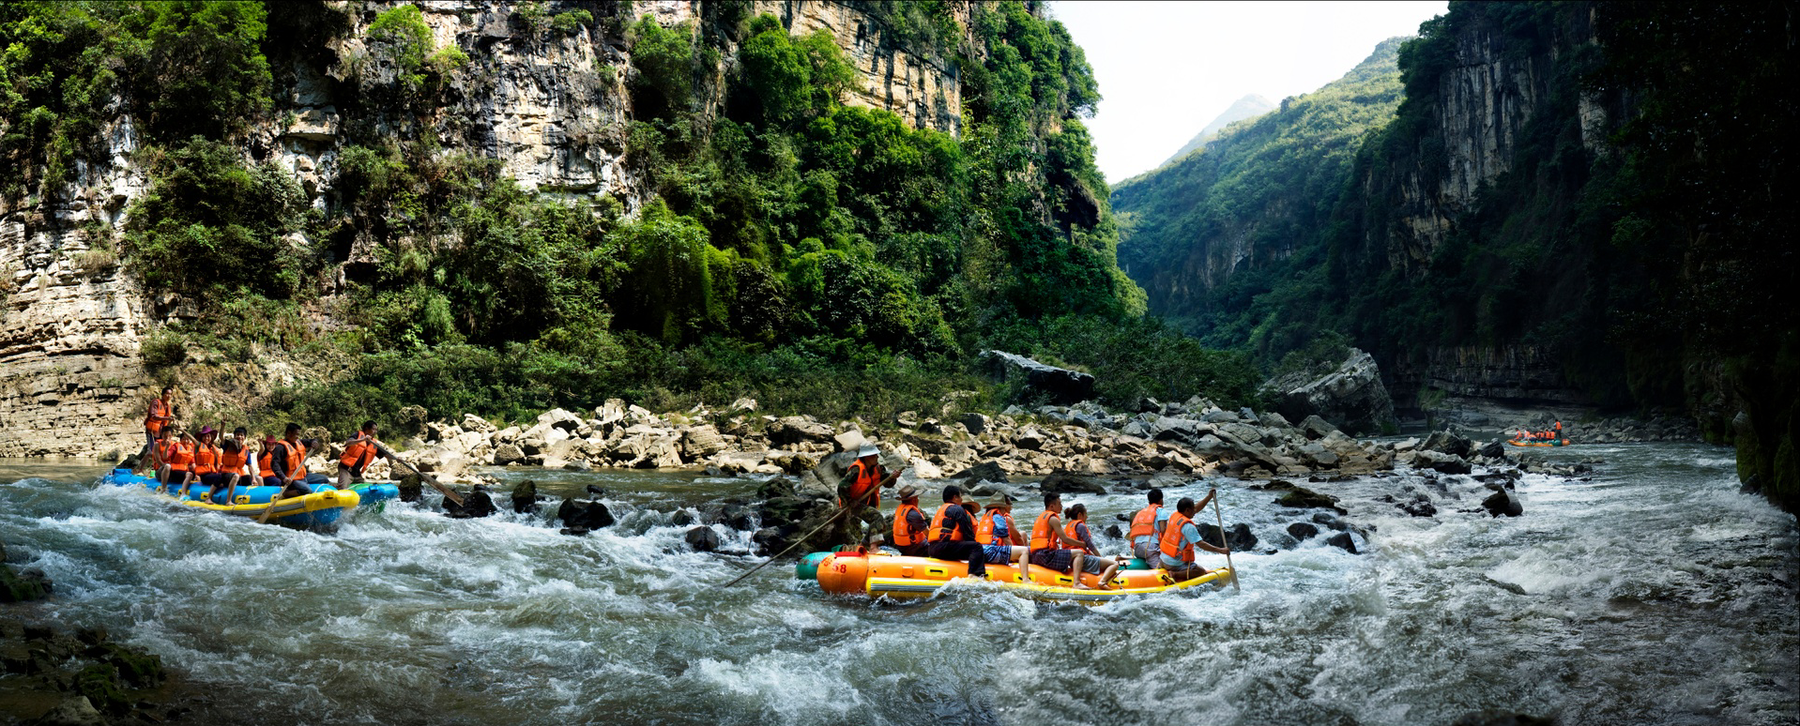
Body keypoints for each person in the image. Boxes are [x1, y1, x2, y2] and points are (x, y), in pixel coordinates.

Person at [1025, 492, 1104, 589]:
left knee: (1067, 553)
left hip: (1035, 555)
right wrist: (1082, 544)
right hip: (1046, 556)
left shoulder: (1041, 517)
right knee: (1079, 553)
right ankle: (1077, 583)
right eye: (1059, 504)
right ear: (1052, 506)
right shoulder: (1053, 519)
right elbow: (1065, 539)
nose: (1061, 506)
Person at [836, 444, 905, 545]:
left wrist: (893, 477)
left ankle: (864, 545)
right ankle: (873, 547)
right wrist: (850, 502)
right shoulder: (856, 469)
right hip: (854, 503)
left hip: (868, 501)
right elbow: (842, 486)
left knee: (877, 523)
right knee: (877, 518)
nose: (877, 457)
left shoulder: (879, 468)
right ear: (867, 457)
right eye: (875, 455)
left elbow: (887, 483)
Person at [1160, 494, 1231, 582]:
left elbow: (1197, 508)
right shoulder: (1188, 526)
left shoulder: (1175, 515)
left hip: (1163, 559)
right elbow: (1201, 544)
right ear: (1187, 510)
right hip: (1173, 563)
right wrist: (1220, 550)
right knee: (1200, 571)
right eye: (1193, 509)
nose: (1195, 511)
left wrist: (1209, 496)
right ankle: (1175, 574)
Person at [926, 485, 987, 579]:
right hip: (944, 548)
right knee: (976, 547)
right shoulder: (957, 509)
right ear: (955, 497)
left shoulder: (942, 509)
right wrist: (973, 548)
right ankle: (974, 575)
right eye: (960, 496)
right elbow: (967, 533)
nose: (961, 499)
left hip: (932, 549)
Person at [1063, 503, 1119, 588]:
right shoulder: (1080, 526)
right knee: (1114, 564)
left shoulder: (1068, 526)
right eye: (1086, 514)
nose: (1087, 517)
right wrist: (1100, 557)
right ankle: (1102, 582)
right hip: (1083, 560)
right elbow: (1090, 545)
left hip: (1071, 560)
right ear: (1080, 515)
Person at [975, 494, 1028, 568]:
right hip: (991, 552)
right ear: (1001, 508)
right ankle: (1025, 578)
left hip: (980, 552)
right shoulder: (998, 518)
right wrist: (1014, 555)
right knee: (1024, 550)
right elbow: (1006, 539)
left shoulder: (985, 518)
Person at [270, 424, 318, 500]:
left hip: (303, 476)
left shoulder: (298, 442)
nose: (298, 437)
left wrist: (314, 442)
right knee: (307, 490)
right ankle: (286, 493)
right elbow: (274, 465)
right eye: (296, 434)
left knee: (324, 479)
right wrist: (284, 478)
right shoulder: (280, 448)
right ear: (289, 433)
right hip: (291, 480)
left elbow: (311, 441)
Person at [137, 387, 175, 474]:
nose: (169, 396)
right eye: (167, 394)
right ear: (162, 394)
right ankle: (140, 470)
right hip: (152, 431)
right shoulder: (156, 402)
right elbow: (153, 416)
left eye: (170, 394)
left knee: (162, 450)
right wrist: (167, 418)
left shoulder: (167, 406)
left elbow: (166, 421)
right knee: (151, 451)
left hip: (161, 432)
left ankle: (157, 469)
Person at [337, 420, 384, 488]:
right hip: (346, 469)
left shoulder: (374, 443)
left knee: (365, 489)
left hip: (357, 473)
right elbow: (348, 442)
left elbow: (385, 454)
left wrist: (396, 459)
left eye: (376, 430)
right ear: (367, 429)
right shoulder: (357, 435)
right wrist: (363, 440)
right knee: (342, 488)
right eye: (373, 429)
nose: (375, 432)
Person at [1128, 489, 1168, 569]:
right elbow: (1163, 530)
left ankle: (1123, 559)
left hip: (1137, 548)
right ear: (1160, 500)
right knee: (1162, 569)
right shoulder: (1161, 511)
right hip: (1150, 548)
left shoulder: (1141, 512)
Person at [889, 485, 930, 557]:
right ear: (914, 499)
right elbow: (927, 533)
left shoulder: (900, 509)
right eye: (917, 498)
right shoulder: (913, 514)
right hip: (913, 547)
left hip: (900, 546)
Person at [211, 435, 251, 505]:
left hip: (237, 475)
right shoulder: (226, 447)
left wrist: (254, 479)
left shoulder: (245, 450)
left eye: (242, 435)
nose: (240, 437)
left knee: (250, 478)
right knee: (236, 476)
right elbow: (221, 437)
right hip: (226, 475)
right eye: (238, 435)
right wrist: (222, 426)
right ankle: (228, 501)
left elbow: (250, 466)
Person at [186, 427, 222, 501]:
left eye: (208, 436)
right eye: (204, 436)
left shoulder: (213, 448)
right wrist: (182, 430)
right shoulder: (199, 445)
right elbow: (192, 439)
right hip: (204, 476)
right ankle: (208, 498)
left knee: (222, 476)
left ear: (211, 437)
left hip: (212, 473)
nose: (206, 438)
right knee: (219, 477)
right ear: (202, 438)